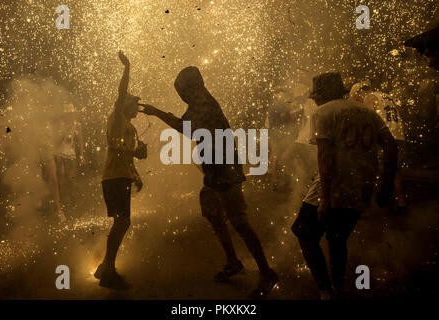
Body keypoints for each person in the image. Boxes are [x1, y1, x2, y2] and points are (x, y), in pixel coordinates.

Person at [139, 66, 278, 298]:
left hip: (224, 172)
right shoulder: (201, 101)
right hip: (216, 172)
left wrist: (157, 112)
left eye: (182, 91)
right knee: (212, 211)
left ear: (191, 88)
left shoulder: (203, 104)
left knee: (239, 222)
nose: (181, 95)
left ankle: (267, 272)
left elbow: (186, 129)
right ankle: (233, 261)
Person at [291, 73, 398, 299]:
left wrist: (325, 200)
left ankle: (325, 290)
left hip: (333, 185)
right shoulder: (367, 112)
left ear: (322, 95)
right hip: (362, 186)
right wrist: (386, 185)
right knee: (337, 237)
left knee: (304, 231)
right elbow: (391, 146)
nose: (315, 101)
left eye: (316, 96)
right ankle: (339, 286)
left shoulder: (324, 112)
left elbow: (325, 156)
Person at [94, 51, 147, 290]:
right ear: (126, 105)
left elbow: (128, 155)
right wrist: (127, 68)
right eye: (135, 104)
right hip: (113, 178)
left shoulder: (130, 127)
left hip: (121, 177)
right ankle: (107, 268)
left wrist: (136, 174)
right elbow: (120, 94)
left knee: (122, 221)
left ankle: (106, 267)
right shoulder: (117, 118)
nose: (138, 108)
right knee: (122, 221)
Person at [350, 81, 407, 211]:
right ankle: (401, 201)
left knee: (368, 167)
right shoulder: (387, 96)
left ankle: (366, 202)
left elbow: (368, 118)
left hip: (384, 137)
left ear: (360, 92)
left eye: (357, 98)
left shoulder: (370, 97)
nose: (358, 101)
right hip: (398, 134)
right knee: (394, 170)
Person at [53, 101, 85, 210]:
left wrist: (81, 155)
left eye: (71, 113)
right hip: (60, 153)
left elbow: (80, 141)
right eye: (67, 114)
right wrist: (63, 134)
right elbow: (55, 141)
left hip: (71, 154)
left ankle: (73, 200)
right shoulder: (60, 124)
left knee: (71, 178)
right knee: (61, 177)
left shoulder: (77, 125)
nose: (69, 116)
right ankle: (61, 201)